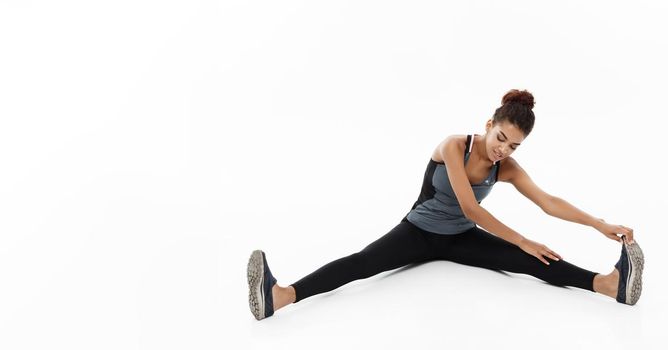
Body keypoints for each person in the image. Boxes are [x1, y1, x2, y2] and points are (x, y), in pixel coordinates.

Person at [246, 89, 645, 321]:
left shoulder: (505, 167)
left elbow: (547, 201)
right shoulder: (454, 146)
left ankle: (609, 286)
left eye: (513, 146)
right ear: (490, 125)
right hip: (417, 233)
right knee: (361, 264)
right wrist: (521, 239)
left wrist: (598, 223)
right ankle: (280, 295)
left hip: (460, 240)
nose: (502, 150)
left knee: (536, 261)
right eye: (501, 138)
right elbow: (471, 207)